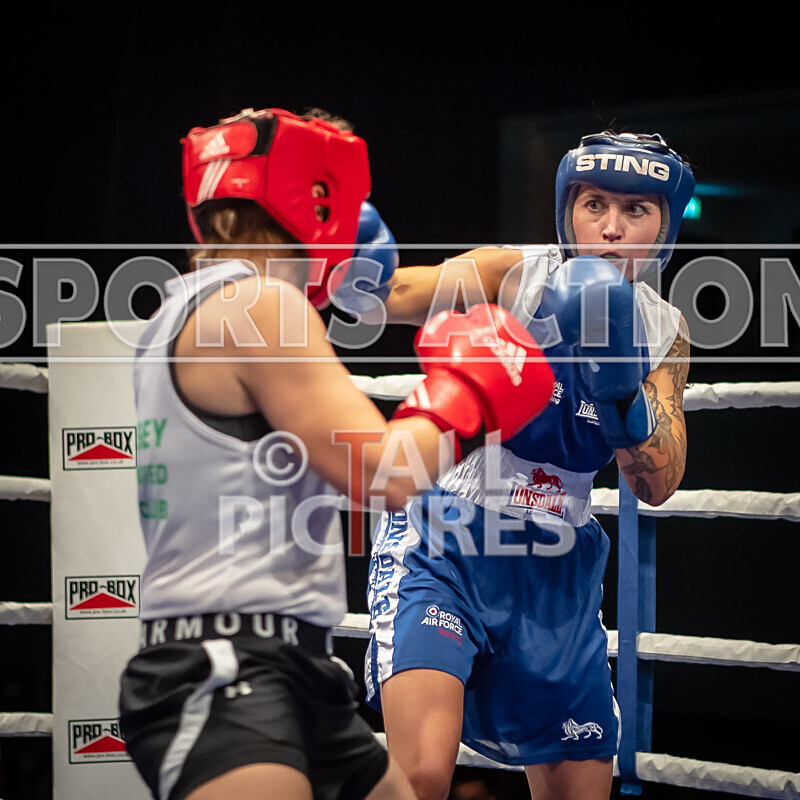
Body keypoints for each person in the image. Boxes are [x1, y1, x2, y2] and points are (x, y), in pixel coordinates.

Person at [117, 107, 555, 800]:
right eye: (344, 202)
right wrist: (475, 386)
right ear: (315, 196)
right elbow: (382, 471)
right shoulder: (262, 306)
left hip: (286, 666)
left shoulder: (181, 309)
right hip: (230, 672)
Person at [337, 131, 695, 800]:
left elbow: (660, 481)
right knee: (419, 775)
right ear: (569, 212)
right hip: (448, 546)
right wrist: (346, 261)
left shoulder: (663, 330)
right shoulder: (516, 274)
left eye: (636, 211)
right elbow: (393, 295)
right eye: (595, 205)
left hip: (557, 568)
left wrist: (621, 397)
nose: (611, 228)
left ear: (664, 227)